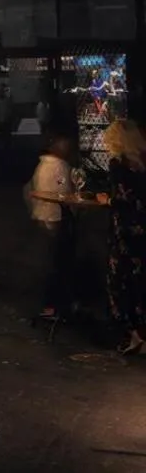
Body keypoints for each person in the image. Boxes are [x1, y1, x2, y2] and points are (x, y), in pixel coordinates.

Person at [99, 120, 146, 356]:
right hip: (141, 229)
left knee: (119, 282)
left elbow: (121, 198)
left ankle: (130, 334)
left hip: (124, 231)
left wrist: (106, 200)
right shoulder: (141, 164)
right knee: (139, 282)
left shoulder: (118, 165)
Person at [28, 134, 74, 321]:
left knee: (48, 259)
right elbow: (63, 190)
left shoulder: (42, 165)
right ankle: (54, 304)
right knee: (55, 260)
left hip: (41, 214)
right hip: (54, 216)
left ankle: (49, 303)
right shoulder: (59, 166)